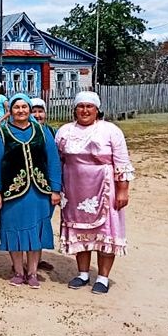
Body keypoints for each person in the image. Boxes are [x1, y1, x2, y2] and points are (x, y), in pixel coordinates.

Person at [55, 91, 134, 295]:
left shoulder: (111, 131)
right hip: (74, 189)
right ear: (74, 109)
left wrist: (123, 190)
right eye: (80, 106)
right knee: (81, 232)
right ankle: (82, 274)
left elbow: (122, 163)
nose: (85, 110)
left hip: (104, 189)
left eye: (89, 106)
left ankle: (102, 277)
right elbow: (57, 161)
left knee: (105, 233)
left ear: (97, 109)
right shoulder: (64, 131)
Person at [0, 93, 62, 289]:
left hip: (38, 192)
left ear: (30, 109)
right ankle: (18, 271)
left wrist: (56, 189)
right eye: (16, 107)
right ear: (10, 111)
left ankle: (32, 272)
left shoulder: (42, 131)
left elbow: (53, 160)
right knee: (14, 230)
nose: (21, 110)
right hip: (12, 193)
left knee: (36, 231)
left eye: (24, 107)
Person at [28, 96, 55, 272]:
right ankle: (25, 260)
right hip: (28, 184)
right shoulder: (25, 131)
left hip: (46, 183)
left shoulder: (52, 132)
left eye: (40, 111)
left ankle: (37, 259)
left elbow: (56, 159)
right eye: (34, 111)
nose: (37, 115)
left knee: (43, 221)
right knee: (28, 221)